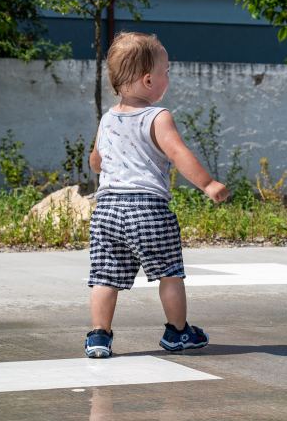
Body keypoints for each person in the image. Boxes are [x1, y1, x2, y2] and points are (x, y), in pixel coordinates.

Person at [84, 32, 229, 358]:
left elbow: (96, 161)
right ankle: (178, 333)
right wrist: (207, 184)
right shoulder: (157, 116)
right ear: (149, 80)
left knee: (104, 277)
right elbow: (178, 154)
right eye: (166, 72)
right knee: (169, 272)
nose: (168, 78)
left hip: (106, 209)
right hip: (146, 209)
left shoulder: (108, 118)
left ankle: (98, 337)